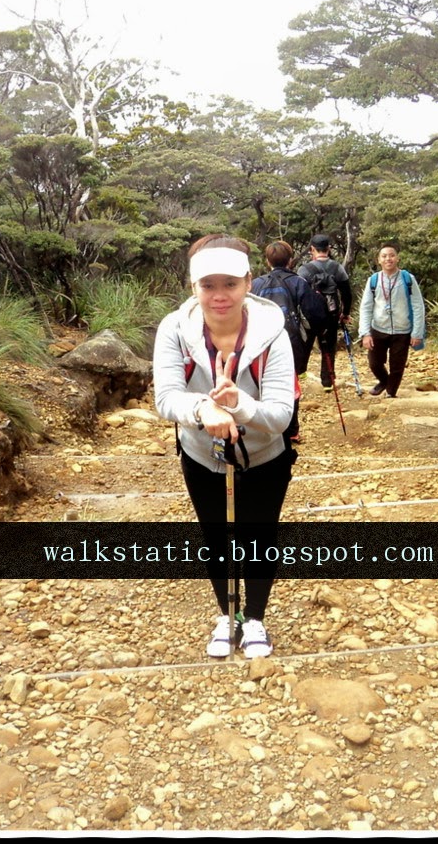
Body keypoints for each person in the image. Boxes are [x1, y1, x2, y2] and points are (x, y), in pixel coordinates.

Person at [153, 235, 298, 659]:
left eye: (230, 284)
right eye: (208, 284)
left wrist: (240, 405)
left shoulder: (273, 333)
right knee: (216, 535)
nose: (219, 295)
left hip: (266, 452)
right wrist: (204, 408)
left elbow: (279, 416)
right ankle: (226, 615)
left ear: (248, 282)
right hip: (201, 450)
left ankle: (254, 617)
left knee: (259, 534)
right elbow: (166, 398)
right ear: (192, 286)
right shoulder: (173, 330)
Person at [251, 240, 327, 443]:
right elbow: (315, 313)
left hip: (260, 342)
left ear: (267, 261)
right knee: (289, 383)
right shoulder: (298, 282)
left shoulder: (256, 284)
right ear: (291, 260)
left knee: (259, 381)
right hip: (291, 341)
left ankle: (263, 428)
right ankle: (291, 431)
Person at [357, 244, 426, 398]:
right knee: (374, 363)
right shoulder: (374, 280)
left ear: (397, 258)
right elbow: (366, 307)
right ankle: (383, 381)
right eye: (384, 256)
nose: (388, 258)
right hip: (379, 329)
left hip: (402, 330)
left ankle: (390, 393)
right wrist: (365, 333)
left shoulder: (408, 279)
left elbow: (418, 306)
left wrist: (417, 333)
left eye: (391, 255)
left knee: (397, 366)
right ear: (379, 260)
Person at [297, 233, 352, 390]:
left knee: (305, 343)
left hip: (310, 316)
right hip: (331, 314)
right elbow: (347, 293)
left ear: (312, 249)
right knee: (328, 346)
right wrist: (345, 313)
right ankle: (328, 381)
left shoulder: (305, 270)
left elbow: (298, 294)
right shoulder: (337, 268)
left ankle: (300, 372)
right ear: (328, 248)